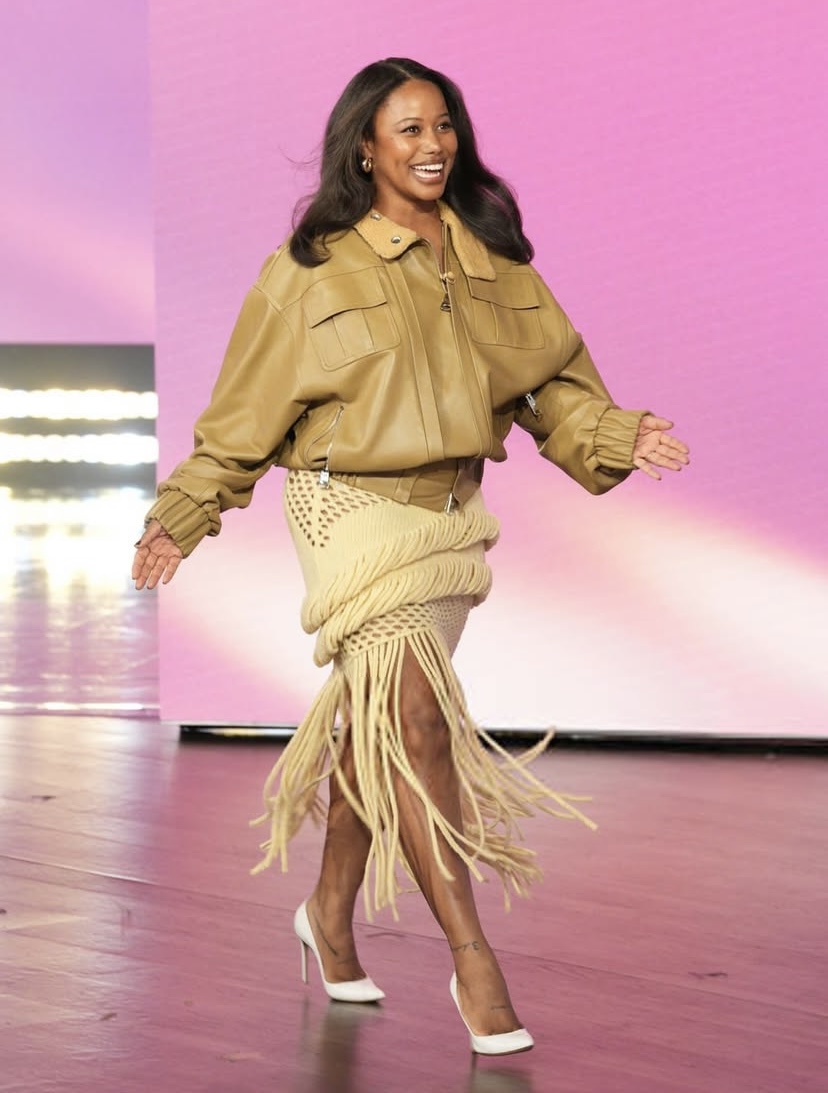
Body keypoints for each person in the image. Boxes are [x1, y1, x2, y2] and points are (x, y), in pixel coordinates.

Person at [132, 57, 689, 1056]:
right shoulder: (309, 270)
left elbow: (548, 385)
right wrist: (184, 511)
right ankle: (475, 960)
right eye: (410, 130)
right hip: (347, 508)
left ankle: (328, 911)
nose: (433, 146)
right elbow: (244, 415)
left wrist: (617, 432)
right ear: (365, 147)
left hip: (447, 517)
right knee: (419, 721)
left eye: (444, 127)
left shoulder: (492, 257)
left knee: (382, 721)